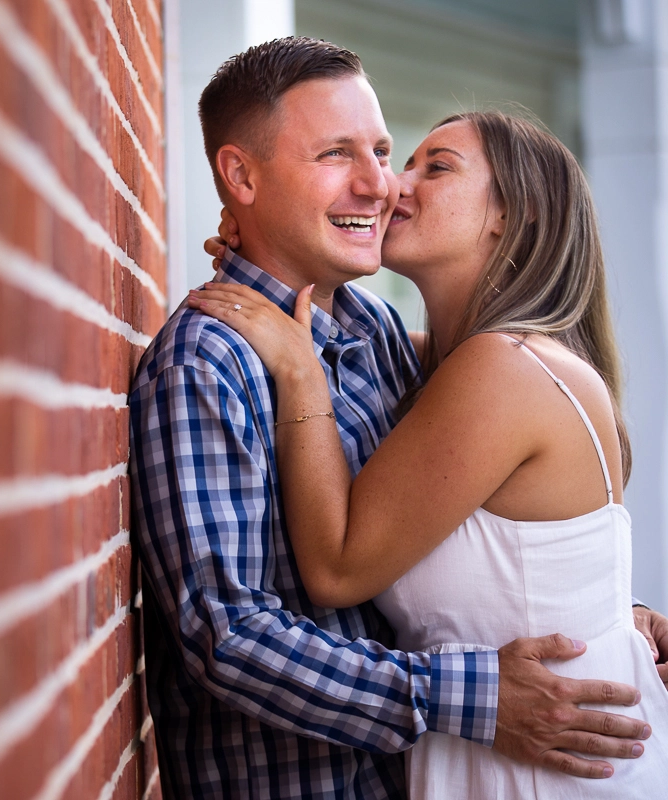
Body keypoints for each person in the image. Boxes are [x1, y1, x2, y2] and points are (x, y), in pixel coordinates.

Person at [128, 36, 664, 800]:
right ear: (241, 175)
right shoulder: (206, 364)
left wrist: (611, 621)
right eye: (336, 155)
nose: (383, 185)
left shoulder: (376, 336)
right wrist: (472, 696)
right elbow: (229, 635)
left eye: (388, 153)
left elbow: (509, 520)